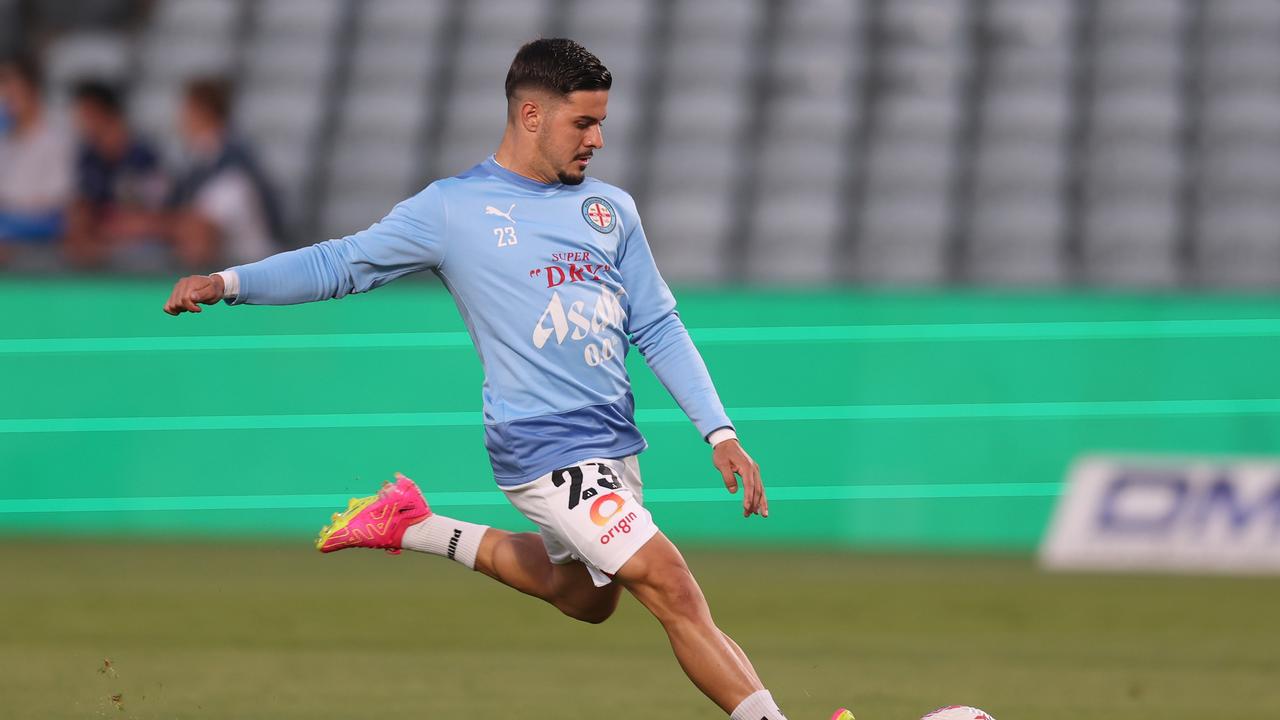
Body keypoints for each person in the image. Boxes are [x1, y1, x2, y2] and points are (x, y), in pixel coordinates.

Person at [162, 39, 854, 720]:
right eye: (584, 122)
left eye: (602, 121)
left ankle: (414, 525)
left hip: (613, 441)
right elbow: (343, 263)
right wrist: (229, 282)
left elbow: (658, 326)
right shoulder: (453, 209)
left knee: (587, 598)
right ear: (531, 116)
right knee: (671, 585)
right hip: (543, 443)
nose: (599, 139)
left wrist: (719, 432)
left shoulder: (610, 212)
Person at [166, 78, 282, 269]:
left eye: (186, 110)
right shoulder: (200, 160)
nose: (180, 119)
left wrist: (149, 225)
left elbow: (202, 231)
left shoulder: (233, 164)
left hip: (248, 269)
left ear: (202, 111)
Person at [65, 79, 169, 270]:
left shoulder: (144, 156)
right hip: (99, 247)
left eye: (84, 114)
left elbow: (154, 216)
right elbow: (82, 207)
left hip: (142, 249)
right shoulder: (88, 158)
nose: (79, 121)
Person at [0, 54, 74, 265]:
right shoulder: (5, 138)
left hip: (43, 230)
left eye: (14, 91)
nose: (8, 99)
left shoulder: (57, 137)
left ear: (33, 91)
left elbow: (58, 200)